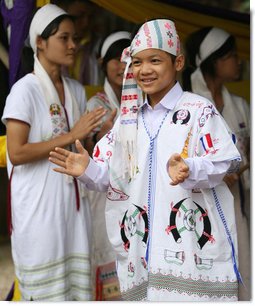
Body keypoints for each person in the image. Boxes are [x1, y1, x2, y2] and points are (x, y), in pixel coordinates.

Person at [49, 18, 242, 301]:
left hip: (190, 249)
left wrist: (191, 168)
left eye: (154, 60)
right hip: (142, 255)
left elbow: (225, 160)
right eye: (137, 63)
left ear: (177, 63)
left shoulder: (198, 110)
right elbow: (114, 178)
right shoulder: (128, 122)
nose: (144, 70)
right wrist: (88, 169)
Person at [1, 4, 106, 301]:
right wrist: (72, 134)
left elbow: (81, 146)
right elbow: (17, 152)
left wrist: (96, 133)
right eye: (64, 38)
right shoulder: (25, 90)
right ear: (40, 42)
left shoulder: (75, 89)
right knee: (46, 293)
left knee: (76, 290)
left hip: (73, 206)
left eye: (74, 38)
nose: (73, 45)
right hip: (39, 208)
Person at [182, 26, 250, 301]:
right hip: (201, 207)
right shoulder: (190, 106)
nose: (238, 61)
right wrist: (217, 174)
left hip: (238, 200)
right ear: (213, 60)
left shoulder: (242, 105)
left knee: (242, 262)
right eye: (231, 56)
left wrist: (238, 171)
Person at [85, 30, 131, 301]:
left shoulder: (145, 101)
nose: (122, 66)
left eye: (127, 59)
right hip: (105, 197)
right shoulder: (96, 104)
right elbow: (90, 152)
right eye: (115, 59)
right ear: (103, 63)